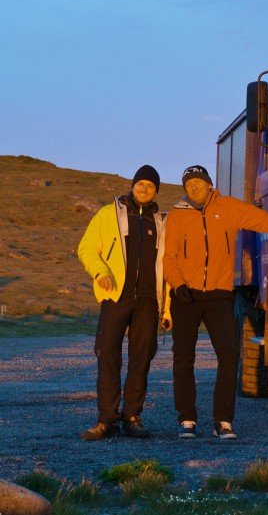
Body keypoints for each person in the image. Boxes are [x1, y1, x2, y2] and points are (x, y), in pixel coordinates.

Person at [163, 165, 268, 439]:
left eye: (199, 181)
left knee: (229, 356)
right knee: (183, 359)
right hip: (185, 296)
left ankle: (223, 421)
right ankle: (186, 419)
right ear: (185, 188)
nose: (195, 187)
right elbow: (169, 257)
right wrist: (178, 284)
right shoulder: (176, 216)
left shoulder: (229, 208)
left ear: (209, 184)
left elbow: (267, 222)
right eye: (189, 183)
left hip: (220, 296)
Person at [77, 165, 168, 440]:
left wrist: (167, 308)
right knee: (108, 355)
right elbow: (87, 247)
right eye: (140, 184)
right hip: (116, 296)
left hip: (149, 301)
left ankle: (132, 418)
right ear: (132, 185)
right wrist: (101, 272)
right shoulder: (109, 214)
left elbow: (168, 265)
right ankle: (107, 420)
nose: (144, 189)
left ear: (156, 191)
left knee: (141, 360)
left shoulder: (162, 221)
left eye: (150, 186)